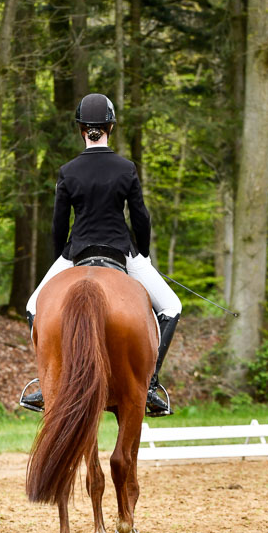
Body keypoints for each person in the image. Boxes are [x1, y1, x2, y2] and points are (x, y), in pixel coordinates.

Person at [22, 93, 182, 416]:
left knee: (33, 306)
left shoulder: (68, 171)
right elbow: (141, 218)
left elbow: (58, 224)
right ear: (110, 127)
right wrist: (143, 255)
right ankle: (150, 385)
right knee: (171, 307)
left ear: (82, 129)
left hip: (77, 251)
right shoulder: (126, 169)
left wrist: (62, 259)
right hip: (122, 250)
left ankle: (47, 383)